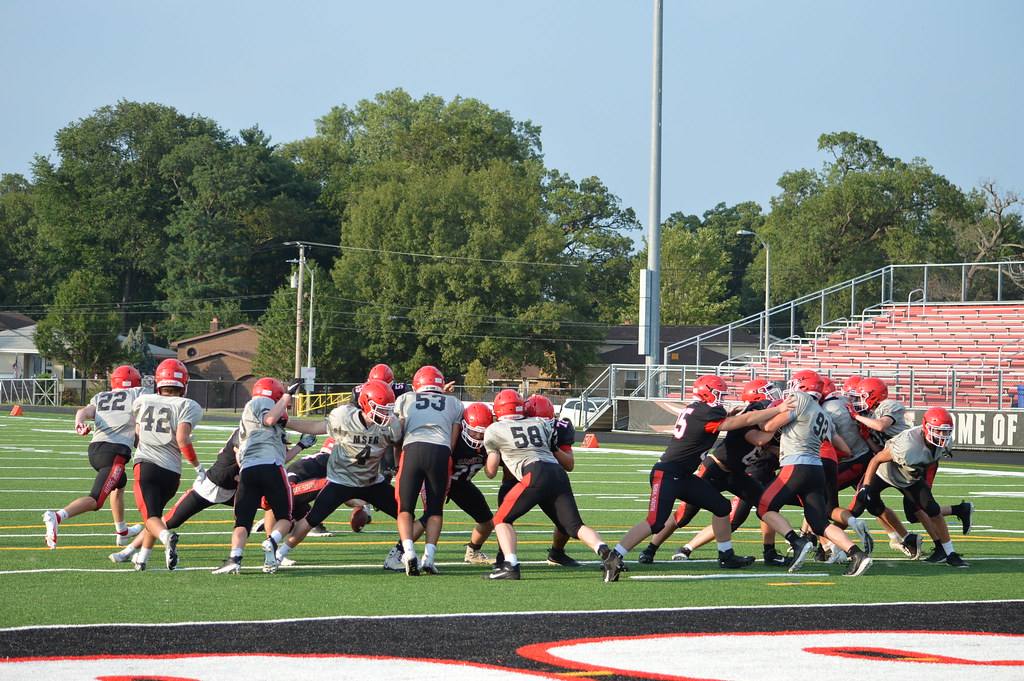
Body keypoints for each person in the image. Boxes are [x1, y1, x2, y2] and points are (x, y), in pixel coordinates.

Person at [608, 375, 795, 576]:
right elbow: (746, 420)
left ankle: (726, 555)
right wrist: (778, 409)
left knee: (722, 506)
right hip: (668, 473)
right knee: (655, 522)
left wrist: (731, 415)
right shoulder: (709, 411)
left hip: (684, 476)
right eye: (718, 394)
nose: (722, 399)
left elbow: (724, 422)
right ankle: (614, 556)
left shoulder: (699, 409)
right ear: (707, 393)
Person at [109, 428, 316, 565]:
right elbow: (240, 455)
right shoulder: (246, 431)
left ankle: (273, 550)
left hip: (236, 490)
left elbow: (280, 457)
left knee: (268, 504)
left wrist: (301, 446)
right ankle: (128, 551)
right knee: (168, 521)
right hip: (211, 486)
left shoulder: (270, 436)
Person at [482, 389, 617, 581]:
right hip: (557, 473)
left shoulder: (494, 430)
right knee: (574, 526)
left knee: (501, 520)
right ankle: (608, 556)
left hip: (534, 474)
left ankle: (509, 565)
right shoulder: (541, 422)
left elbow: (491, 472)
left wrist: (487, 454)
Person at [273, 379, 405, 567]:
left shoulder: (391, 425)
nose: (386, 413)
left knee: (406, 516)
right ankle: (278, 555)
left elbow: (398, 442)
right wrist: (286, 422)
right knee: (311, 519)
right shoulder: (344, 416)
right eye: (381, 408)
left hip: (371, 482)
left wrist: (399, 465)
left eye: (388, 408)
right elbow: (316, 427)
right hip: (340, 481)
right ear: (366, 404)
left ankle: (398, 555)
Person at [756, 372, 873, 577]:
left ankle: (797, 541)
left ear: (802, 388)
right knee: (820, 522)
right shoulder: (824, 414)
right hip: (817, 470)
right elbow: (843, 448)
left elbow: (768, 426)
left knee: (764, 507)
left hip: (796, 466)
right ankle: (857, 555)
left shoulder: (800, 400)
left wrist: (758, 416)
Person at [383, 401, 497, 569]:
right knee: (428, 517)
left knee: (487, 522)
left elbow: (492, 472)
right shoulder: (453, 439)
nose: (478, 437)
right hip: (436, 479)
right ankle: (398, 551)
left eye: (482, 433)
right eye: (474, 431)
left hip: (461, 484)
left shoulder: (490, 444)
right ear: (464, 426)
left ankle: (473, 551)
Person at [850, 406, 969, 568]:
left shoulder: (944, 443)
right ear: (926, 427)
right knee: (857, 507)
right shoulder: (907, 445)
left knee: (932, 510)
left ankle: (950, 553)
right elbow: (876, 460)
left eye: (945, 431)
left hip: (910, 478)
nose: (942, 435)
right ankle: (833, 545)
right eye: (938, 431)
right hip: (884, 475)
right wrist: (866, 486)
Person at [42, 365, 146, 549]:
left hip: (96, 449)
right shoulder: (136, 394)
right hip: (114, 453)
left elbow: (82, 412)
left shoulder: (101, 396)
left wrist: (79, 424)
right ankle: (57, 516)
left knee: (119, 485)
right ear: (135, 383)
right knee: (96, 500)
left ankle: (122, 532)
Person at [212, 377, 303, 575]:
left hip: (249, 470)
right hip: (271, 468)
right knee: (285, 518)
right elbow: (269, 419)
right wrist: (288, 393)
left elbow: (282, 449)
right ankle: (272, 541)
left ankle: (234, 558)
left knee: (242, 521)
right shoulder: (263, 403)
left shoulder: (259, 416)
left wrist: (301, 445)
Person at [128, 359, 204, 571]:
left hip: (147, 465)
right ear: (184, 384)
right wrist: (197, 466)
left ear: (159, 381)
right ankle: (142, 558)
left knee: (152, 517)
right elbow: (182, 438)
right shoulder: (189, 405)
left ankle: (166, 537)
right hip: (172, 473)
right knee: (155, 515)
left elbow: (179, 438)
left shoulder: (143, 400)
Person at [391, 365, 464, 576]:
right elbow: (453, 440)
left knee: (405, 508)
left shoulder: (405, 398)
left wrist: (397, 461)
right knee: (434, 510)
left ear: (417, 384)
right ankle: (429, 558)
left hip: (412, 449)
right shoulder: (454, 403)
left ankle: (409, 552)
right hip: (440, 452)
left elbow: (399, 433)